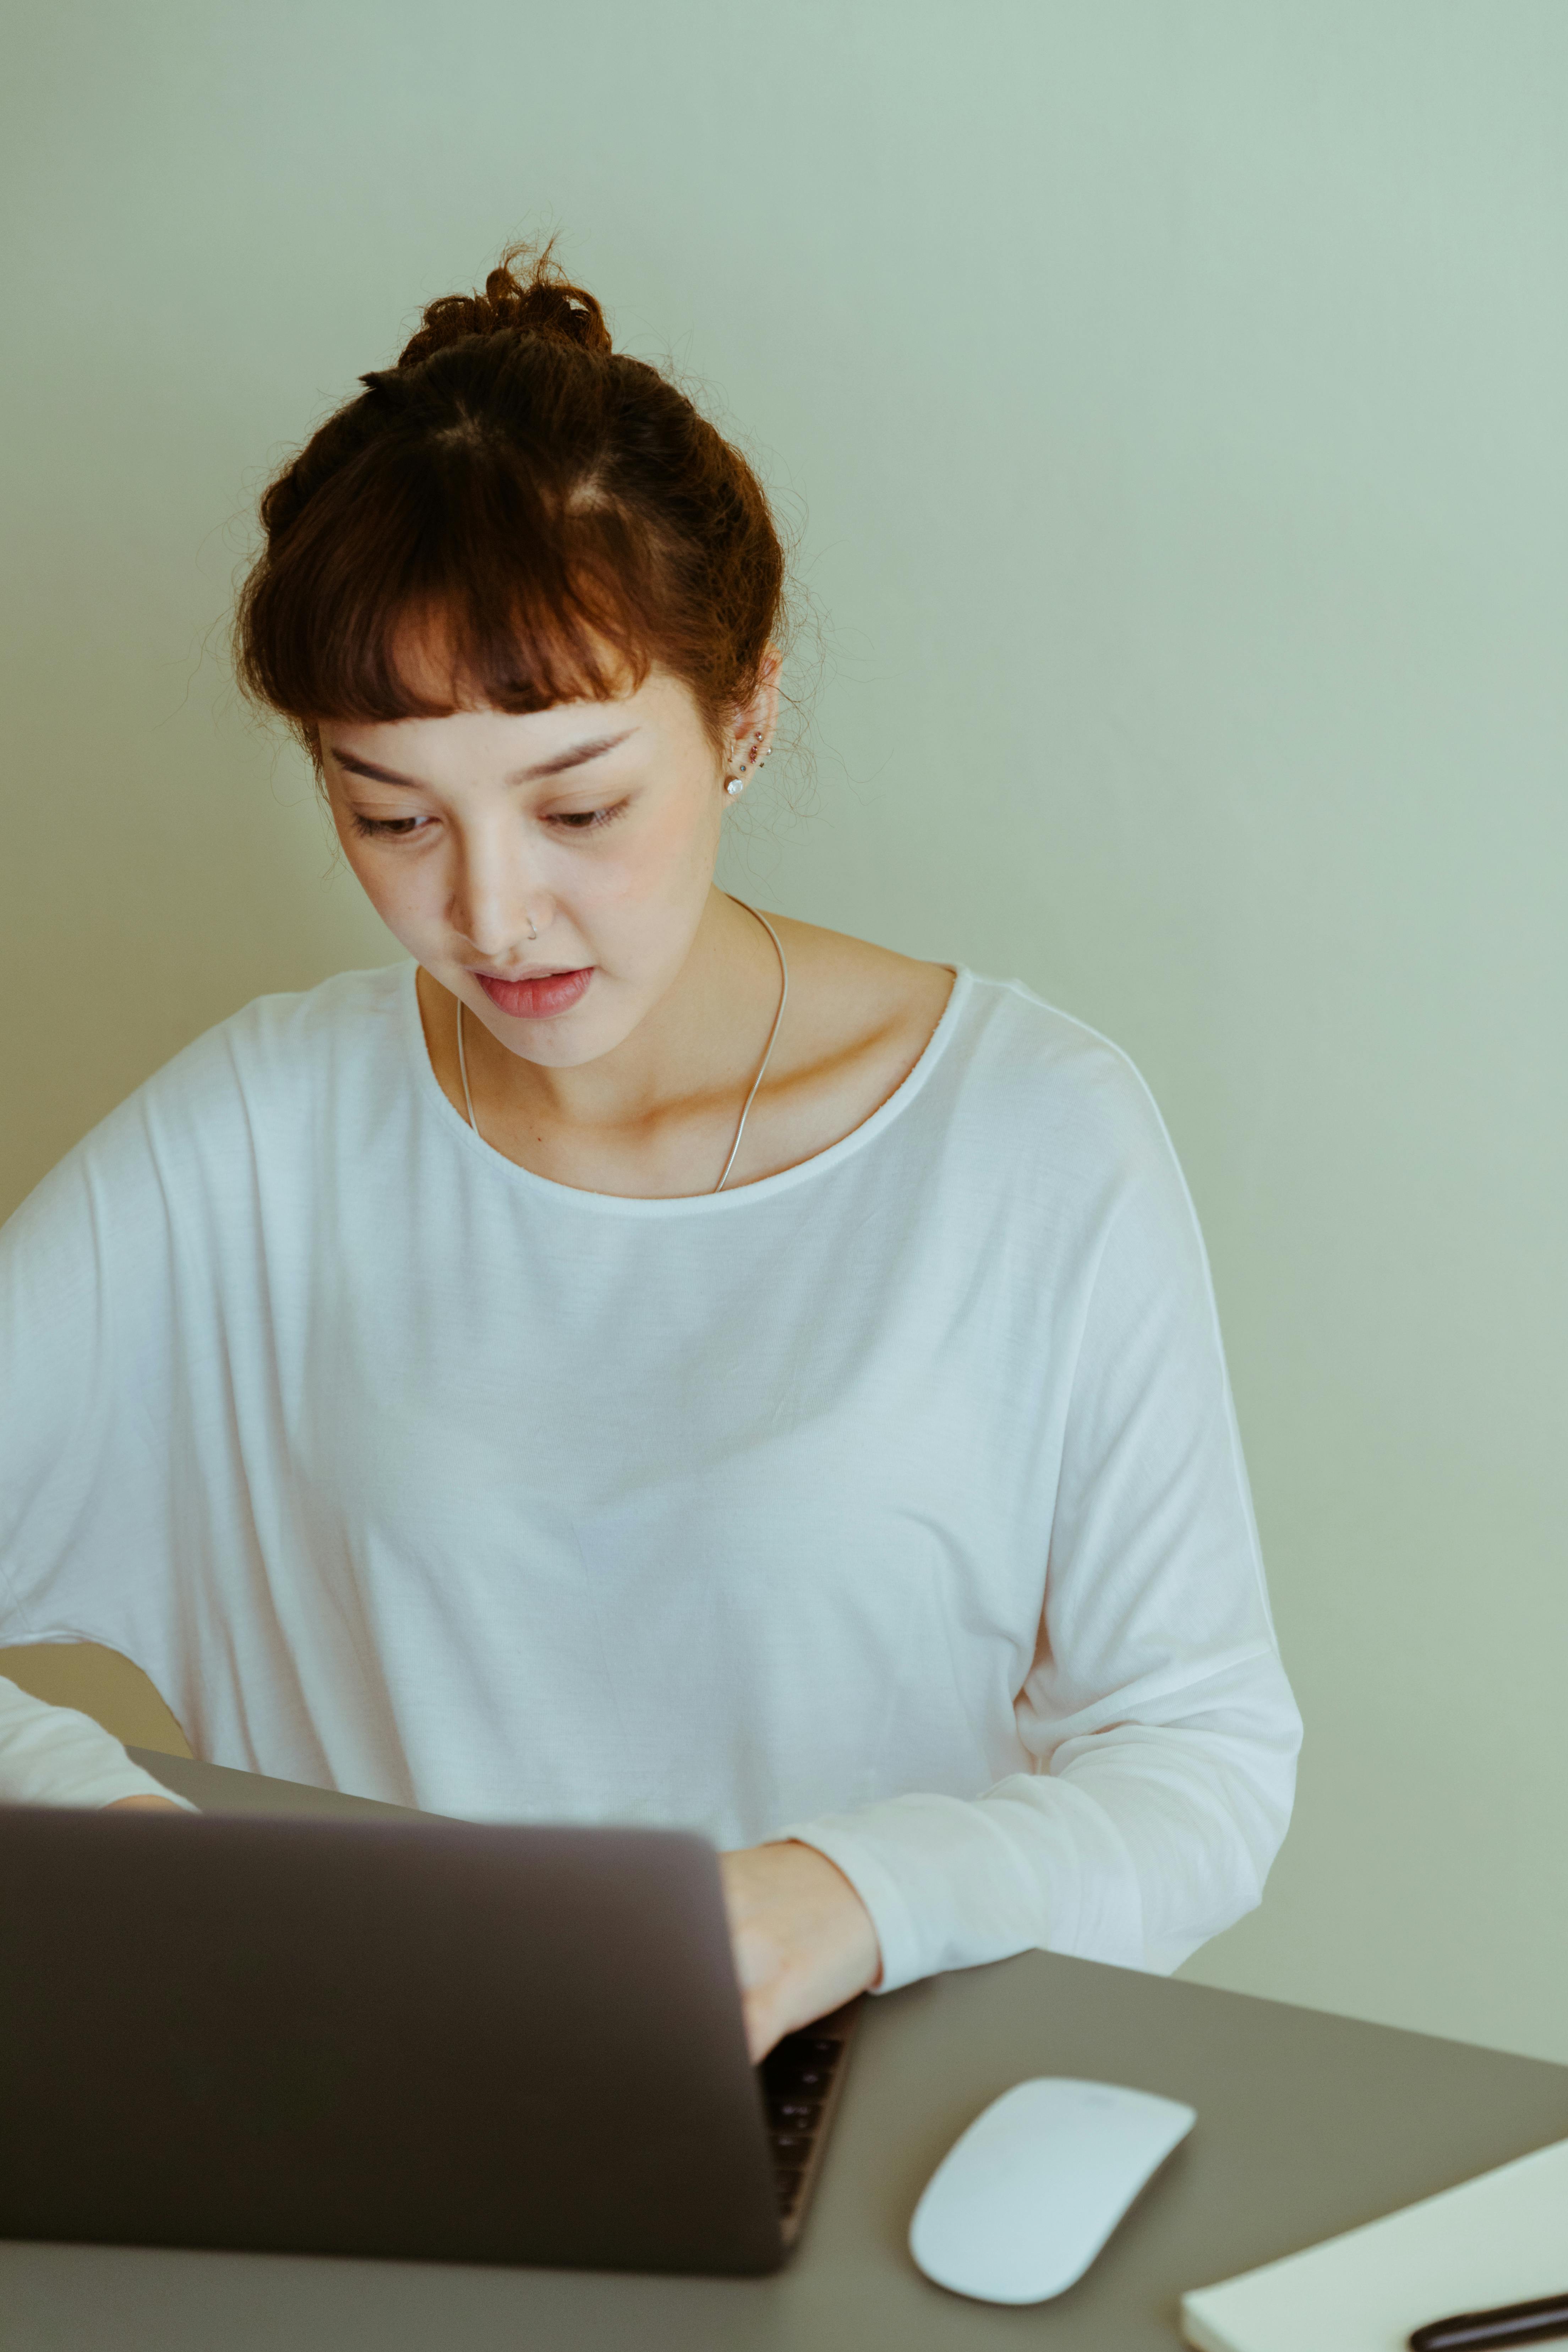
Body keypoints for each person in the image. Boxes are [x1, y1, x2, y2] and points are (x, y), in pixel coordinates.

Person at [0, 246, 1301, 2058]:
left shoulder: (1026, 1133)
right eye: (390, 815)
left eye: (580, 803)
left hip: (853, 2115)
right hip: (358, 2093)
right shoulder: (262, 1132)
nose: (490, 908)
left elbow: (1205, 1756)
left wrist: (839, 1897)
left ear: (745, 710)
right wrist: (127, 1844)